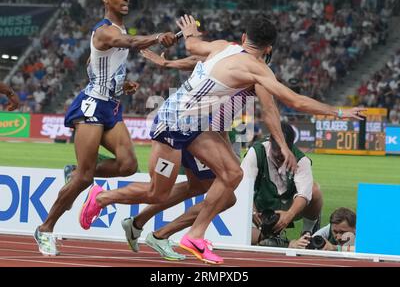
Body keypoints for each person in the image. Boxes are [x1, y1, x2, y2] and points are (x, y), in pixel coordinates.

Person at [79, 14, 365, 264]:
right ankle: (102, 197)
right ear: (269, 49)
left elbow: (193, 48)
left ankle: (192, 235)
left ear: (243, 37)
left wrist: (189, 34)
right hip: (174, 124)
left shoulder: (223, 46)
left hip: (197, 125)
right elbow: (291, 103)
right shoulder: (258, 69)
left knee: (231, 174)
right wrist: (339, 111)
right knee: (158, 192)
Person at [33, 0, 176, 256]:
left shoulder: (116, 30)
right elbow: (130, 42)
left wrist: (121, 85)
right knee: (85, 178)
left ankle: (75, 173)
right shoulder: (105, 31)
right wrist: (158, 37)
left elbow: (94, 66)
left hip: (110, 106)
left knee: (127, 164)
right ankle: (46, 228)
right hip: (91, 106)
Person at [118, 49, 297, 260]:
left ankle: (140, 223)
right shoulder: (254, 74)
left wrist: (169, 62)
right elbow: (263, 111)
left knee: (200, 188)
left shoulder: (231, 62)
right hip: (198, 133)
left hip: (200, 129)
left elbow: (198, 60)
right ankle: (159, 233)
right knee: (225, 196)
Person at [244, 122, 323, 247]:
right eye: (277, 150)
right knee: (246, 238)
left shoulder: (302, 160)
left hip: (290, 206)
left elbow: (304, 194)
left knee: (314, 190)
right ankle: (275, 239)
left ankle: (308, 232)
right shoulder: (256, 152)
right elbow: (243, 187)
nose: (281, 155)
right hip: (260, 207)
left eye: (285, 150)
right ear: (270, 141)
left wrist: (289, 214)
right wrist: (252, 212)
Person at [290, 207, 356, 251]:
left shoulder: (364, 232)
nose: (338, 237)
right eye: (335, 232)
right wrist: (295, 244)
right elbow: (311, 241)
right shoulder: (329, 228)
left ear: (355, 228)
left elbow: (364, 251)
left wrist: (334, 248)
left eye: (342, 232)